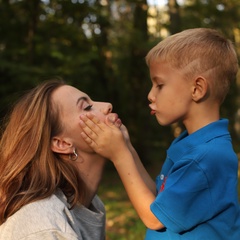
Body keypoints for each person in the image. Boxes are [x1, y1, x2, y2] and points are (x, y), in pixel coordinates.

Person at [79, 28, 240, 239]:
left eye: (159, 85)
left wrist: (119, 155)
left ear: (197, 88)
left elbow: (154, 219)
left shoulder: (208, 158)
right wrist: (127, 147)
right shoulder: (191, 144)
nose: (150, 95)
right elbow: (158, 199)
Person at [0, 79, 122, 240]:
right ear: (62, 143)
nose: (107, 105)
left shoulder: (90, 204)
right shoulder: (44, 227)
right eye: (87, 107)